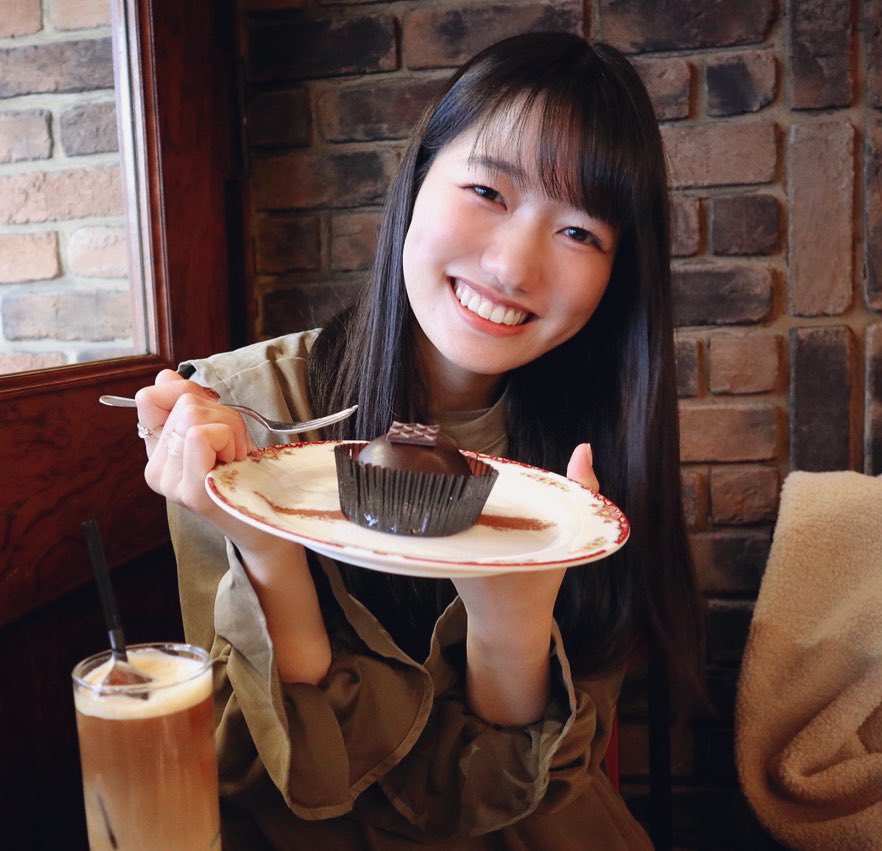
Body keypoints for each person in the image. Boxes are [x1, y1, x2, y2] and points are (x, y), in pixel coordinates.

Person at [134, 31, 703, 849]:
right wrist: (266, 548)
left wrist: (511, 619)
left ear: (617, 275)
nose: (512, 267)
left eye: (580, 232)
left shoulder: (591, 460)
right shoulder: (244, 411)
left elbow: (531, 791)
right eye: (487, 190)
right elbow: (255, 773)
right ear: (416, 179)